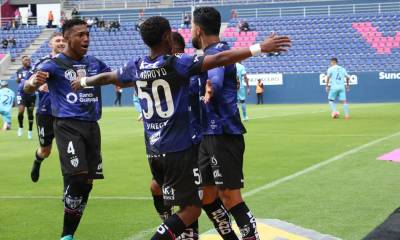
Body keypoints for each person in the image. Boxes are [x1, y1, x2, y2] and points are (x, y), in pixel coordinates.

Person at [70, 15, 291, 240]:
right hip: (179, 149)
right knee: (191, 209)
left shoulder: (136, 65)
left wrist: (84, 82)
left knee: (189, 201)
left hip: (154, 148)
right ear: (167, 36)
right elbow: (219, 58)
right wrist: (259, 48)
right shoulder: (178, 64)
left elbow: (109, 77)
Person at [28, 19, 111, 240]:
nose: (86, 38)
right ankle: (66, 235)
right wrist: (34, 82)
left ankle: (68, 233)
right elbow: (28, 85)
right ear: (66, 39)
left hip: (92, 127)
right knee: (77, 177)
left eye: (87, 34)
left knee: (87, 183)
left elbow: (113, 77)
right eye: (80, 35)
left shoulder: (94, 63)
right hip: (67, 124)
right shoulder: (53, 64)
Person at [192, 7, 270, 240]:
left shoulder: (218, 53)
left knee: (230, 196)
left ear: (198, 30)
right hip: (207, 134)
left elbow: (214, 80)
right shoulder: (213, 54)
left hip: (222, 132)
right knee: (206, 196)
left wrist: (209, 91)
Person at [24, 32, 66, 183]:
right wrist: (35, 84)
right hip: (45, 113)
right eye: (57, 41)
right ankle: (37, 162)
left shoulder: (72, 63)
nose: (61, 43)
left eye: (63, 40)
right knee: (45, 151)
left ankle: (69, 189)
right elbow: (26, 84)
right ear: (50, 44)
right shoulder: (42, 63)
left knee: (67, 151)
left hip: (65, 113)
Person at [16, 55, 35, 139]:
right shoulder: (19, 70)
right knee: (21, 111)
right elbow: (18, 80)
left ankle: (30, 130)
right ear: (22, 61)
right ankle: (20, 127)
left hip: (31, 94)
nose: (28, 61)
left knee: (30, 113)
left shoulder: (33, 70)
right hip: (21, 93)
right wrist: (19, 80)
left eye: (29, 60)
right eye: (26, 60)